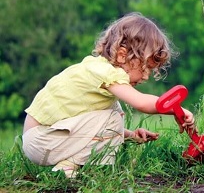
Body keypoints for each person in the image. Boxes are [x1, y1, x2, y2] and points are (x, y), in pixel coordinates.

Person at [22, 12, 195, 178]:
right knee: (113, 116)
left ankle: (69, 167)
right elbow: (141, 103)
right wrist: (175, 109)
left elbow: (91, 124)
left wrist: (130, 135)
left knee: (114, 113)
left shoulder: (98, 72)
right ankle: (69, 167)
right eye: (145, 67)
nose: (146, 76)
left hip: (43, 140)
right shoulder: (106, 73)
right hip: (42, 139)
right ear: (122, 55)